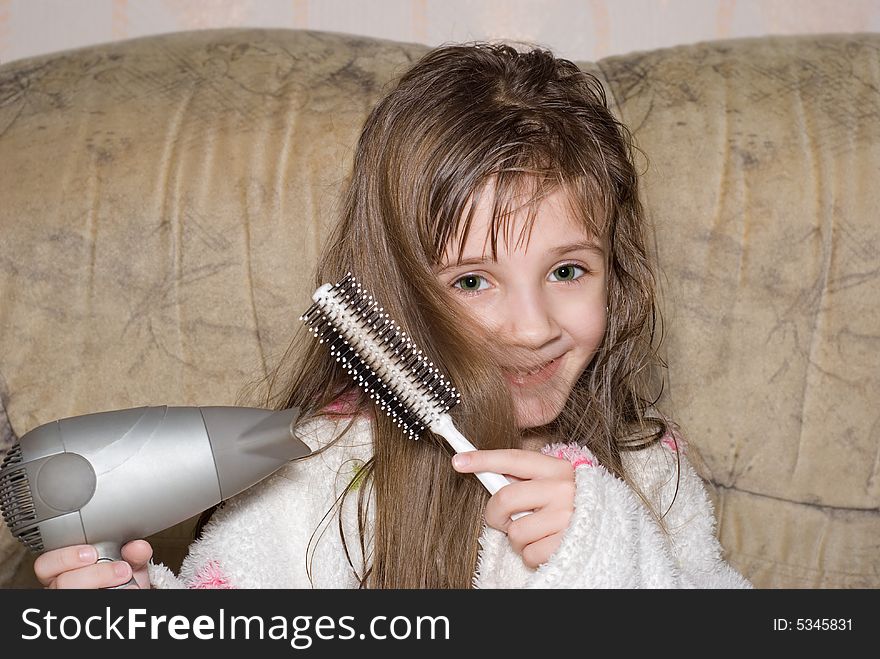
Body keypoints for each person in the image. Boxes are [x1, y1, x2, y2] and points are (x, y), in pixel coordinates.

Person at [34, 42, 751, 589]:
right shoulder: (316, 475)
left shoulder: (647, 473)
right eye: (472, 279)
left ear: (615, 275)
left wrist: (610, 551)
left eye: (568, 270)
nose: (533, 328)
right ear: (394, 298)